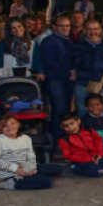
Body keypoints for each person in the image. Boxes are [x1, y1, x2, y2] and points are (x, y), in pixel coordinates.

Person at [0, 114, 64, 189]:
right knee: (48, 182)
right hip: (12, 174)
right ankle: (12, 184)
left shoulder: (25, 138)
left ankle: (31, 177)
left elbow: (30, 155)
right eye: (5, 126)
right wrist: (16, 169)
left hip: (25, 168)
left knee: (59, 169)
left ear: (18, 124)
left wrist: (32, 168)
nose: (10, 127)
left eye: (12, 123)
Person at [40, 14, 74, 145]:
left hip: (66, 81)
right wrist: (69, 72)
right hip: (55, 80)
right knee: (59, 110)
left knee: (65, 110)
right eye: (61, 26)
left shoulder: (69, 40)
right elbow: (50, 63)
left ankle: (63, 140)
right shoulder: (49, 41)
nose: (65, 28)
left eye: (67, 26)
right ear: (54, 27)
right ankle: (57, 141)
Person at [57, 111, 103, 176]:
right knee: (99, 172)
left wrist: (99, 154)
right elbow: (67, 156)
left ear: (78, 121)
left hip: (96, 156)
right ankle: (75, 168)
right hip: (82, 161)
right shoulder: (64, 139)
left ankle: (96, 166)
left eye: (72, 123)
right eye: (66, 126)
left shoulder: (88, 130)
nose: (70, 128)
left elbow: (98, 140)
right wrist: (88, 159)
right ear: (62, 127)